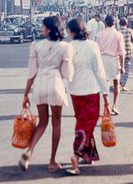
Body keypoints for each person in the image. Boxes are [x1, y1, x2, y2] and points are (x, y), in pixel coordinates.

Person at [19, 16, 74, 172]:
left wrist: (25, 94)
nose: (41, 29)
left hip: (40, 84)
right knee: (57, 123)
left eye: (43, 27)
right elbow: (67, 73)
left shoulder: (36, 45)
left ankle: (29, 151)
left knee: (42, 122)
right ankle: (52, 161)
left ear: (49, 29)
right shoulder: (65, 46)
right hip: (56, 83)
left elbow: (31, 72)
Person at [66, 18, 110, 175]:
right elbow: (99, 70)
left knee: (83, 122)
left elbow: (66, 70)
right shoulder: (92, 45)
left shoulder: (69, 47)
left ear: (71, 32)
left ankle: (88, 155)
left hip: (75, 91)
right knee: (86, 124)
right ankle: (76, 157)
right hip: (91, 90)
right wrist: (106, 93)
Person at [96, 15, 125, 115]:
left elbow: (96, 51)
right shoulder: (118, 34)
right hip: (113, 60)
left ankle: (107, 104)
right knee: (116, 83)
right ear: (114, 23)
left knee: (105, 84)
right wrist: (123, 66)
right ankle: (115, 105)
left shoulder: (100, 34)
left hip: (102, 60)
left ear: (105, 23)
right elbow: (121, 52)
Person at [119, 17, 133, 92]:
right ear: (127, 23)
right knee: (126, 69)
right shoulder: (129, 30)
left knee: (120, 68)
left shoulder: (117, 32)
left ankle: (119, 82)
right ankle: (122, 84)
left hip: (119, 53)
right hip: (128, 53)